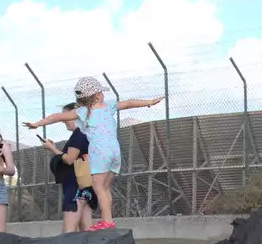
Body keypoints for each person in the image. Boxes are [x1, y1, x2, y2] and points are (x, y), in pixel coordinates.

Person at [25, 77, 163, 231]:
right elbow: (129, 103)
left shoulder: (83, 112)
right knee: (106, 187)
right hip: (115, 151)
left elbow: (57, 117)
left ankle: (107, 221)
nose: (103, 94)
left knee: (99, 187)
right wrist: (150, 102)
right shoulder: (109, 106)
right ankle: (108, 220)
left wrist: (37, 124)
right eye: (101, 92)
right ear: (97, 95)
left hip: (99, 152)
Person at [38, 101, 93, 233]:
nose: (63, 120)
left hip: (75, 187)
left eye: (65, 117)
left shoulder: (79, 135)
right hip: (83, 187)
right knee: (86, 231)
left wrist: (52, 149)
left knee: (68, 233)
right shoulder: (85, 134)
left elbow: (69, 159)